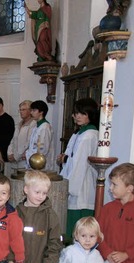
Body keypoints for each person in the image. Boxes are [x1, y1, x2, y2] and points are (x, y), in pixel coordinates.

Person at [58, 98, 99, 236]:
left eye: (83, 113)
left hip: (81, 186)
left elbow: (80, 164)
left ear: (91, 115)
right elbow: (74, 159)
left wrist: (70, 188)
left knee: (78, 226)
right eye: (76, 113)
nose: (78, 116)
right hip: (76, 180)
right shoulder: (80, 133)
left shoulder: (89, 135)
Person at [25, 100, 57, 172]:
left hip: (40, 164)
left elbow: (43, 149)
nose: (31, 112)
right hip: (32, 161)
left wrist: (33, 158)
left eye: (34, 110)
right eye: (31, 110)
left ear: (41, 112)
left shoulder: (45, 127)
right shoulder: (37, 126)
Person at [6, 100, 36, 176]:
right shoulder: (19, 124)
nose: (21, 112)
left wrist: (16, 156)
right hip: (14, 159)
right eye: (20, 110)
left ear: (30, 111)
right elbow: (13, 139)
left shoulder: (33, 124)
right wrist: (9, 153)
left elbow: (29, 142)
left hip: (23, 159)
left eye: (23, 110)